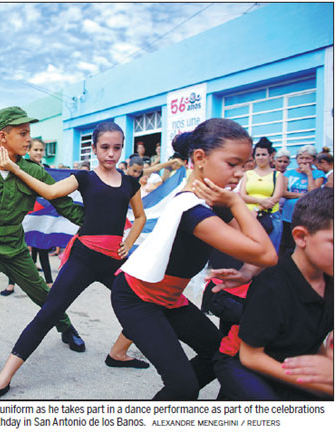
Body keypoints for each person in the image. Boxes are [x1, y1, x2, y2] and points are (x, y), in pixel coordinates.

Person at [0, 121, 148, 400]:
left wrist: (128, 243)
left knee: (146, 303)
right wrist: (16, 169)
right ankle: (3, 378)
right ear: (94, 149)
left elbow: (140, 216)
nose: (111, 154)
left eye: (117, 148)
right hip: (84, 256)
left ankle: (118, 353)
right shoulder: (85, 178)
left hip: (113, 260)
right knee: (48, 313)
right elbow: (50, 192)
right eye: (105, 147)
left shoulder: (129, 183)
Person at [110, 118, 278, 400]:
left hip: (170, 299)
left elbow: (258, 251)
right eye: (232, 164)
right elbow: (268, 253)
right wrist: (238, 202)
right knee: (184, 386)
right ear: (200, 158)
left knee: (218, 354)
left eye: (245, 165)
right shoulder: (192, 209)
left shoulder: (213, 204)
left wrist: (248, 271)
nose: (240, 174)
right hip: (138, 299)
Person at [0, 106, 87, 384]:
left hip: (13, 242)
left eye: (29, 133)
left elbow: (62, 204)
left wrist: (98, 223)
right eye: (22, 134)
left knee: (41, 293)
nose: (28, 140)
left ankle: (66, 327)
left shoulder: (32, 171)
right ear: (2, 137)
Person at [214, 187, 333, 399]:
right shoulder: (273, 286)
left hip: (288, 360)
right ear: (301, 237)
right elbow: (251, 357)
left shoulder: (328, 279)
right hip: (242, 361)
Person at [2, 139, 55, 296]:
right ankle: (11, 283)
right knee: (18, 249)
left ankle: (49, 283)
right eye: (35, 150)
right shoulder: (21, 167)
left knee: (43, 248)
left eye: (41, 150)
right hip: (25, 213)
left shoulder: (47, 169)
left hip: (42, 214)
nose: (38, 153)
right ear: (29, 151)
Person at [239, 137, 285, 251]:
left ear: (270, 156)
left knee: (270, 251)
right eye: (257, 155)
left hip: (270, 216)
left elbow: (276, 197)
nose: (260, 158)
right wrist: (260, 201)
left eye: (263, 154)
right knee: (249, 251)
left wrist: (258, 209)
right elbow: (242, 195)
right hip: (249, 216)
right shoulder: (248, 174)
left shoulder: (277, 175)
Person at [280, 145, 325, 255]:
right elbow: (283, 192)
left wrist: (309, 174)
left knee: (303, 244)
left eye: (307, 158)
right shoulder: (289, 173)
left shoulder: (318, 174)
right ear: (296, 159)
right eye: (301, 158)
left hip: (307, 217)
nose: (304, 161)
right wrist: (302, 195)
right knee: (287, 245)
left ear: (313, 160)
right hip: (288, 216)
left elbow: (314, 193)